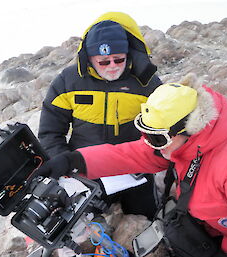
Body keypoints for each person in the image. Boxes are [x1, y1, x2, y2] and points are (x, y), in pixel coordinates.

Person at [37, 73, 227, 256]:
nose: (150, 144)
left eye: (157, 139)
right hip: (215, 236)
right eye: (146, 134)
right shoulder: (189, 143)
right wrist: (74, 160)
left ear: (190, 129)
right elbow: (132, 155)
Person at [38, 12, 163, 219]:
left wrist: (149, 157)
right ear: (89, 58)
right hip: (85, 167)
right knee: (79, 224)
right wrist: (65, 164)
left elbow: (163, 128)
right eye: (104, 62)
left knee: (147, 219)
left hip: (135, 167)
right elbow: (50, 132)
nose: (113, 66)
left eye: (119, 59)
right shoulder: (68, 81)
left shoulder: (147, 82)